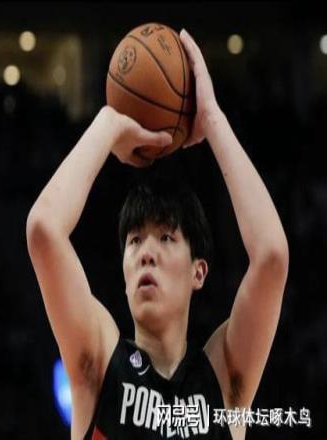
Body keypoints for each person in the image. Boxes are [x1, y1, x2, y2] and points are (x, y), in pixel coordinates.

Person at [26, 29, 288, 439]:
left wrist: (213, 121)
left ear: (199, 271)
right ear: (124, 271)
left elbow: (272, 256)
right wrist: (109, 123)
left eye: (166, 238)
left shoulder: (222, 382)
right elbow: (44, 229)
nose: (146, 252)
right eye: (135, 241)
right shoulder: (99, 366)